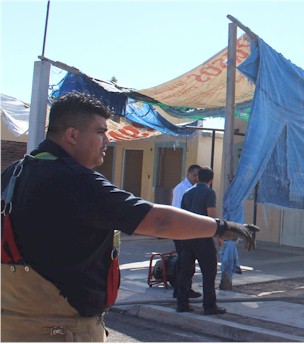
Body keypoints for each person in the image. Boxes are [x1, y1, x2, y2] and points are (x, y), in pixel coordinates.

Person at [0, 92, 257, 342]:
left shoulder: (15, 173)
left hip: (13, 325)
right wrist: (221, 227)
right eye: (100, 132)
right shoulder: (74, 181)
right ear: (72, 135)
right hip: (59, 331)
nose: (107, 140)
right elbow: (158, 220)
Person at [176, 167, 225, 315]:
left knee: (185, 271)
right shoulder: (209, 193)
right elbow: (211, 216)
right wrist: (219, 235)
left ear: (198, 178)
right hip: (203, 237)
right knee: (209, 272)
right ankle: (209, 306)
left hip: (187, 236)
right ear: (211, 180)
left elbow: (182, 214)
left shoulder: (187, 192)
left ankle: (182, 304)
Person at [171, 164, 202, 299]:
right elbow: (178, 209)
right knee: (184, 262)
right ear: (188, 174)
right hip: (180, 229)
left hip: (189, 230)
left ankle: (183, 289)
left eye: (198, 176)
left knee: (187, 261)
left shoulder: (194, 189)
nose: (196, 178)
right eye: (194, 175)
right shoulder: (181, 189)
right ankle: (180, 289)